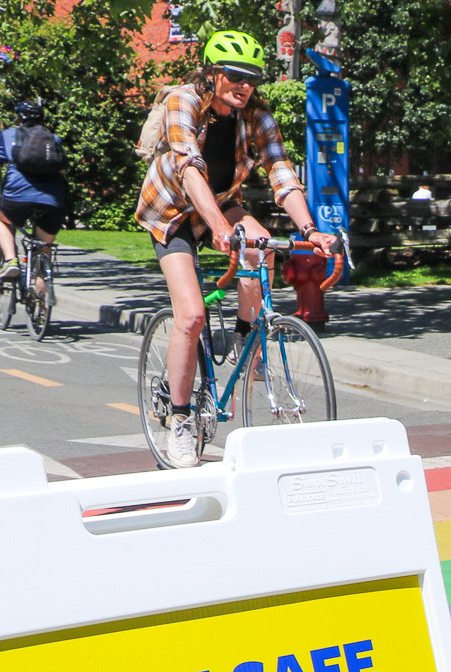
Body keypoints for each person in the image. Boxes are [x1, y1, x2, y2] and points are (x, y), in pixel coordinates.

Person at [134, 30, 338, 468]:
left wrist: (310, 231)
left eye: (252, 78)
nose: (244, 86)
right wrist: (218, 227)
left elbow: (283, 176)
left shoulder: (258, 118)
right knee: (190, 315)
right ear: (213, 73)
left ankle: (249, 341)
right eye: (235, 76)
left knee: (260, 246)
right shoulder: (182, 101)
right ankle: (181, 419)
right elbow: (189, 168)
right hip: (171, 214)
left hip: (222, 203)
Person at [0, 100, 70, 288]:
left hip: (17, 196)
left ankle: (11, 261)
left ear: (19, 118)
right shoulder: (53, 139)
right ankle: (41, 303)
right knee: (44, 250)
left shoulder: (9, 136)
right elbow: (62, 173)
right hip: (53, 200)